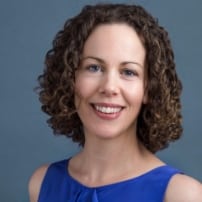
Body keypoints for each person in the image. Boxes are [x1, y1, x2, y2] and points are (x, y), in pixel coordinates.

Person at [28, 3, 202, 202]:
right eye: (94, 67)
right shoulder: (41, 183)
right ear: (70, 79)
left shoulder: (182, 195)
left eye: (128, 72)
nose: (109, 87)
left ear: (148, 88)